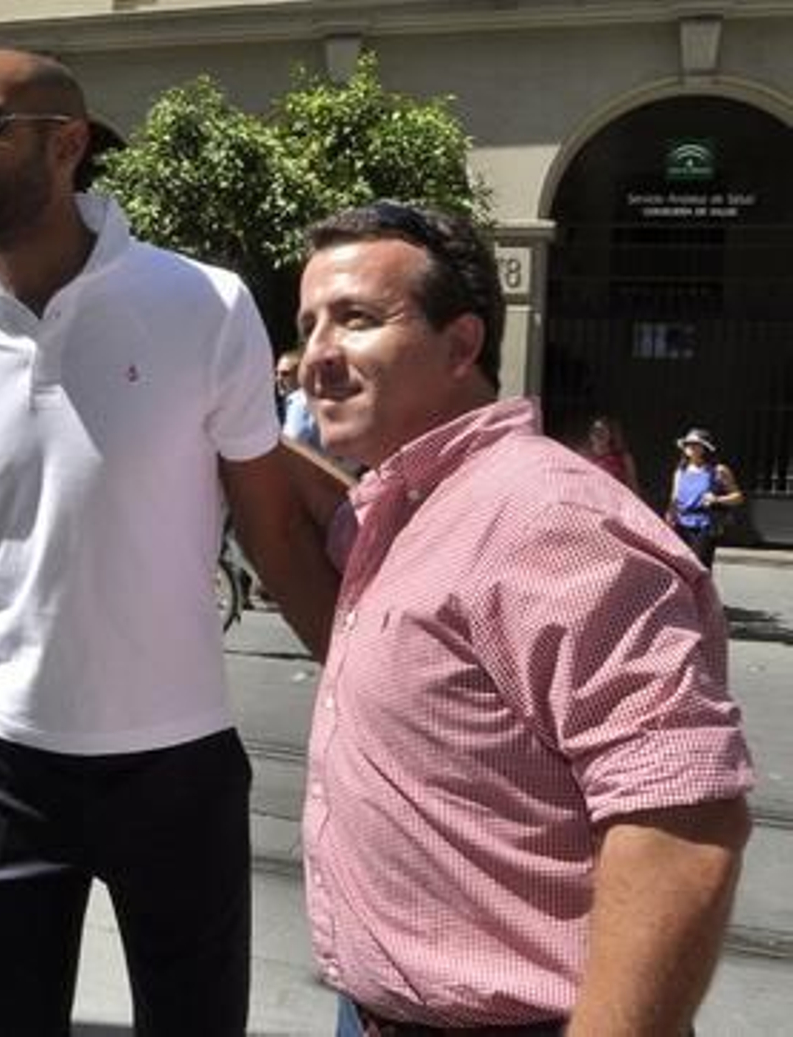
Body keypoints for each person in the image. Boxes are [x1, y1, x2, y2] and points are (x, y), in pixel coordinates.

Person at [0, 49, 341, 1035]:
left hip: (175, 766)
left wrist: (365, 693)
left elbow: (271, 525)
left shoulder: (203, 300)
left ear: (66, 145)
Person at [294, 200, 754, 1035]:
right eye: (309, 323)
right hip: (370, 1011)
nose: (316, 355)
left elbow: (683, 814)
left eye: (357, 319)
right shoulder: (397, 510)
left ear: (462, 344)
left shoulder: (551, 520)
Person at [666, 426, 744, 570]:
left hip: (705, 525)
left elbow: (738, 497)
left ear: (704, 448)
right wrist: (669, 517)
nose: (689, 447)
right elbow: (674, 498)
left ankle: (703, 593)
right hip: (682, 525)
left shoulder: (718, 470)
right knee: (680, 566)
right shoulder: (680, 471)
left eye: (694, 444)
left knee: (699, 567)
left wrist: (717, 499)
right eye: (687, 444)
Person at [578, 414, 640, 493]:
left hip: (617, 500)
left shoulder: (623, 457)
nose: (599, 434)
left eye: (603, 431)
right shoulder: (583, 457)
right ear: (590, 434)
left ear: (611, 434)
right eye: (595, 430)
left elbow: (634, 486)